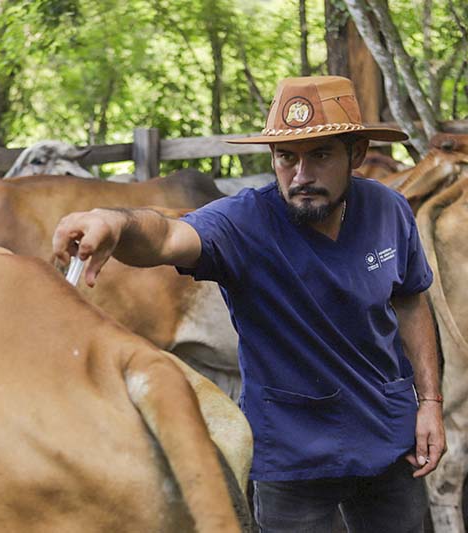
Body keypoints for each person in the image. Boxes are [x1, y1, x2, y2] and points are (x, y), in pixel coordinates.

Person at [51, 76, 446, 532]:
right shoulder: (244, 223)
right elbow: (167, 237)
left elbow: (410, 300)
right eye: (286, 157)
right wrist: (114, 222)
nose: (301, 176)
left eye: (320, 155)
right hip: (293, 455)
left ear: (355, 154)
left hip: (388, 437)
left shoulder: (389, 210)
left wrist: (430, 402)